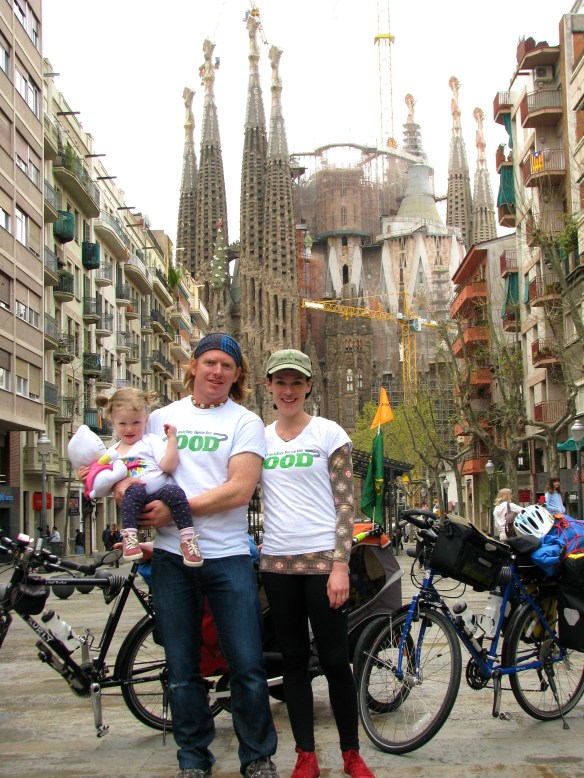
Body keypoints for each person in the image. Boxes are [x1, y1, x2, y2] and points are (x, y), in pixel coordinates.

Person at [121, 333, 279, 778]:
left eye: (227, 366)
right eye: (210, 362)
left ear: (237, 374)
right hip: (171, 558)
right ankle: (193, 759)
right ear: (193, 366)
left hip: (228, 557)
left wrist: (176, 509)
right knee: (181, 667)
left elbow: (239, 489)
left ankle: (257, 757)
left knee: (246, 664)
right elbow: (133, 465)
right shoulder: (160, 418)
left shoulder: (245, 421)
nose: (217, 371)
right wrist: (125, 493)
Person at [259, 348, 375, 778]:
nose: (288, 390)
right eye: (281, 382)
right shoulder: (259, 439)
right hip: (277, 565)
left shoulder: (328, 433)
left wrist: (341, 565)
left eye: (296, 382)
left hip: (324, 564)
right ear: (269, 387)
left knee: (334, 660)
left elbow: (346, 505)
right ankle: (305, 754)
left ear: (309, 386)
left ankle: (351, 754)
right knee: (292, 662)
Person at [96, 388, 202, 567]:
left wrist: (172, 440)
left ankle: (187, 540)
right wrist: (87, 474)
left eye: (136, 422)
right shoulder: (112, 452)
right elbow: (99, 476)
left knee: (175, 492)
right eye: (122, 423)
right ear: (113, 422)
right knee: (134, 490)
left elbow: (168, 466)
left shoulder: (150, 441)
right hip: (135, 497)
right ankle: (130, 538)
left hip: (159, 493)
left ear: (146, 419)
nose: (129, 429)